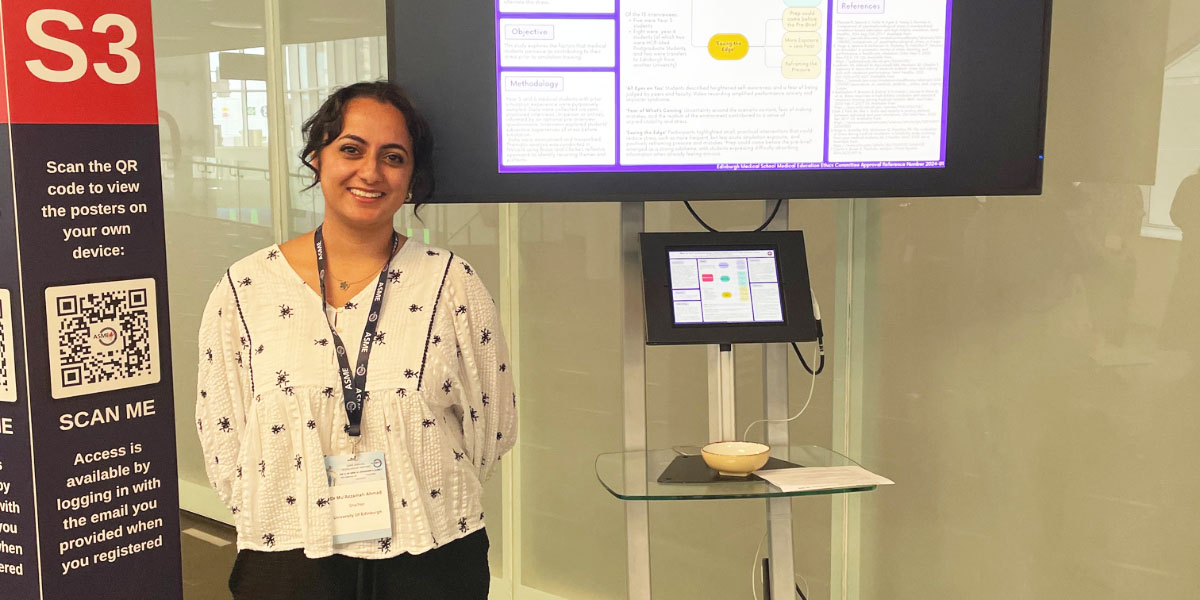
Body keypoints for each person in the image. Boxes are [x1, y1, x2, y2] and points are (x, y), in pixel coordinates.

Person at [196, 81, 517, 599]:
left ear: (412, 177)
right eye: (351, 149)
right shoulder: (245, 288)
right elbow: (224, 430)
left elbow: (492, 424)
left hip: (431, 552)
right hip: (289, 552)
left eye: (393, 157)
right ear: (316, 157)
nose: (370, 172)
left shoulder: (452, 283)